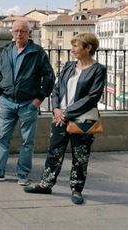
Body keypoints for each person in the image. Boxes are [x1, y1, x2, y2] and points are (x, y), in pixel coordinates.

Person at [24, 33, 105, 205]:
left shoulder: (98, 70)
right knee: (54, 152)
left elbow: (92, 97)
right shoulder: (69, 66)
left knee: (80, 155)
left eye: (76, 46)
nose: (73, 49)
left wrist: (66, 113)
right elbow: (56, 89)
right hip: (60, 117)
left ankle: (76, 190)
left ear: (88, 48)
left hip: (82, 120)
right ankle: (46, 184)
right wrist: (55, 109)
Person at [0, 19, 54, 186]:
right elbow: (1, 71)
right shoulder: (7, 50)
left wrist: (39, 99)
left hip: (28, 103)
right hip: (7, 102)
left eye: (23, 31)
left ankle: (22, 174)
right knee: (2, 138)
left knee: (27, 141)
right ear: (12, 33)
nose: (19, 34)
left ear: (29, 33)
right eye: (16, 31)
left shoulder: (37, 52)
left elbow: (49, 77)